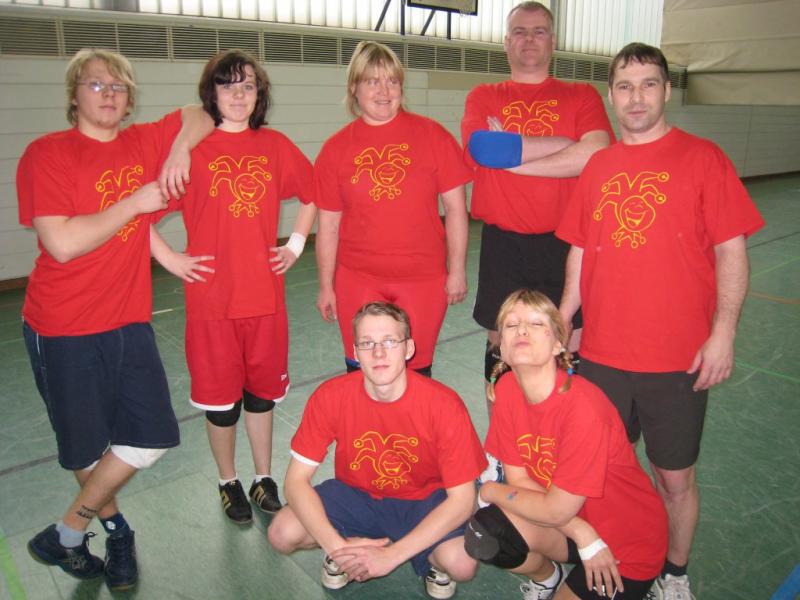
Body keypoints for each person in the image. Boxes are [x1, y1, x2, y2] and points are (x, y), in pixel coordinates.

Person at [556, 43, 765, 600]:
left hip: (677, 359)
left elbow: (731, 250)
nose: (636, 97)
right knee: (603, 475)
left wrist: (724, 333)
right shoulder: (598, 165)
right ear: (610, 95)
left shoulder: (704, 158)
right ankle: (610, 559)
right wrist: (565, 314)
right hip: (603, 357)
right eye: (625, 86)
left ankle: (673, 573)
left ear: (667, 90)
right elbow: (581, 248)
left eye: (649, 84)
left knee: (674, 479)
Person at [17, 48, 213, 590]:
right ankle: (115, 530)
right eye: (96, 84)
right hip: (63, 325)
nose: (108, 94)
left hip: (127, 319)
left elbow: (201, 114)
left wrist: (178, 148)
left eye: (119, 86)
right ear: (74, 95)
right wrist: (136, 203)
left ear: (130, 101)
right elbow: (62, 242)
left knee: (151, 437)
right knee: (85, 449)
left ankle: (66, 531)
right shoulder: (47, 153)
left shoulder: (143, 142)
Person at [151, 49, 316, 524]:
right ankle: (228, 481)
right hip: (211, 305)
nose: (239, 95)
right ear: (212, 93)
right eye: (228, 85)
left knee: (261, 397)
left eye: (248, 86)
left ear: (259, 94)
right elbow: (140, 212)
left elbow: (313, 193)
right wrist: (170, 259)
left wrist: (296, 245)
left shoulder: (276, 145)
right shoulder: (193, 152)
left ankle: (264, 477)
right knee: (221, 405)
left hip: (264, 300)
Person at [267, 302, 486, 599]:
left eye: (390, 341)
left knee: (461, 564)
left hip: (425, 500)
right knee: (282, 533)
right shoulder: (331, 396)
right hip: (357, 495)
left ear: (409, 348)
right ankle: (351, 548)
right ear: (355, 353)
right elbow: (295, 482)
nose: (378, 353)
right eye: (367, 343)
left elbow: (462, 501)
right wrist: (338, 548)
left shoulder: (443, 405)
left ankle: (427, 559)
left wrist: (392, 556)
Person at [461, 1, 613, 413]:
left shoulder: (581, 95)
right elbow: (483, 148)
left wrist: (513, 160)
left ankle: (564, 435)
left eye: (539, 31)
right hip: (503, 245)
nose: (529, 39)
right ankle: (502, 438)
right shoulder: (484, 95)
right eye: (520, 31)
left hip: (566, 244)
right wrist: (565, 145)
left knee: (567, 341)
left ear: (553, 41)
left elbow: (596, 152)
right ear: (506, 42)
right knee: (504, 346)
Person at [466, 289, 668, 600]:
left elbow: (555, 509)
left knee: (501, 506)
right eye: (511, 325)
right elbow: (519, 480)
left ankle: (643, 588)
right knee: (487, 532)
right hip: (572, 527)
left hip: (624, 544)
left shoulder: (583, 408)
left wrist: (490, 490)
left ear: (559, 344)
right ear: (501, 347)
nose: (522, 330)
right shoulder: (507, 389)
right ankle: (549, 577)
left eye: (536, 323)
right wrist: (581, 531)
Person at [315, 40, 471, 378]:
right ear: (354, 88)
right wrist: (326, 284)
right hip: (357, 278)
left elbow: (457, 210)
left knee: (415, 374)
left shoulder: (433, 137)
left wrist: (457, 269)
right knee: (363, 372)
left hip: (423, 279)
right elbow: (328, 225)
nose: (384, 91)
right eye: (372, 81)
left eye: (392, 81)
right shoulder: (335, 149)